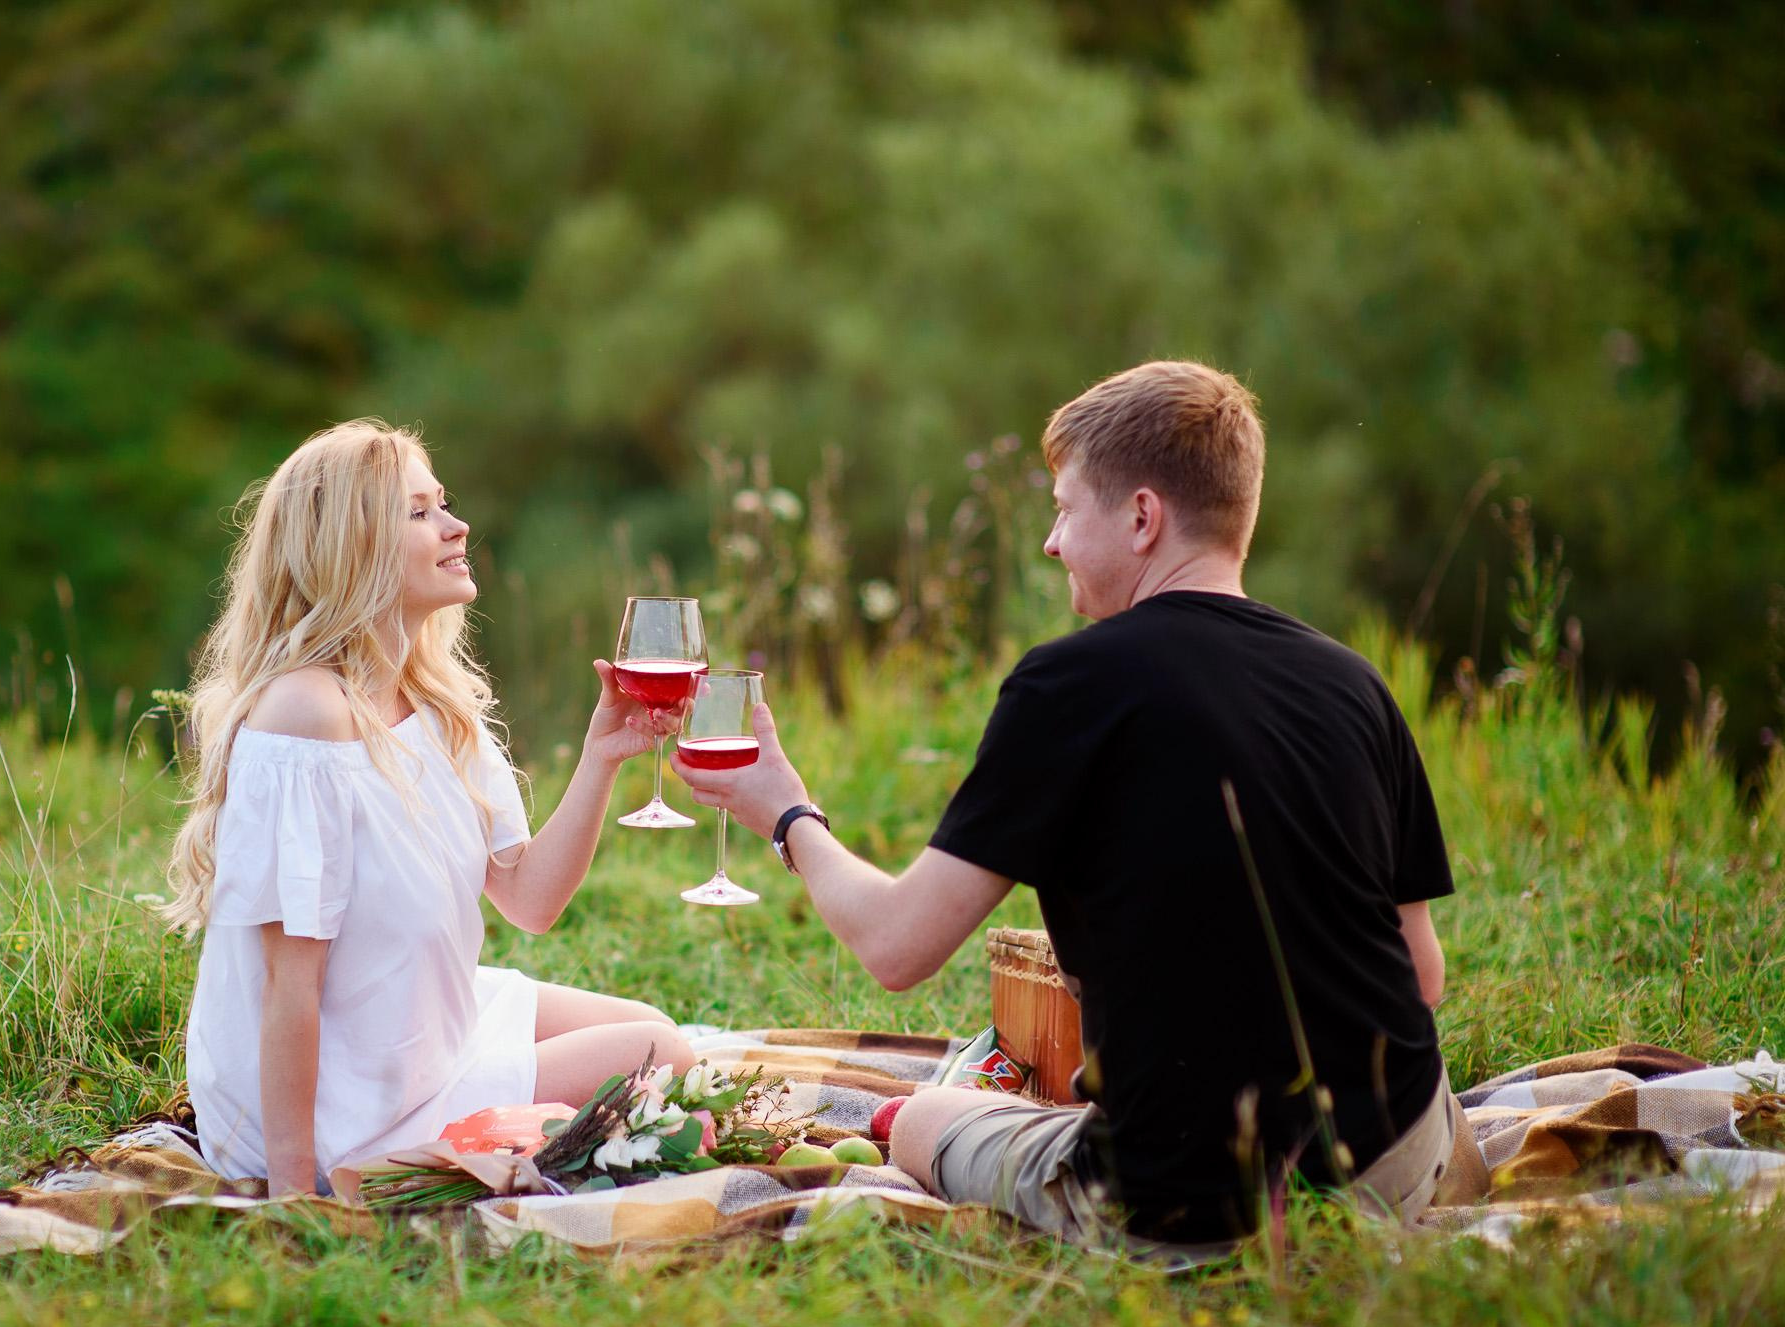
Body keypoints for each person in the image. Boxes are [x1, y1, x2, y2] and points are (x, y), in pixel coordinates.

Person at [673, 361, 1479, 1262]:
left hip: (1183, 1199)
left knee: (922, 1118)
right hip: (1393, 1162)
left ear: (1142, 517)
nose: (1051, 543)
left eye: (1064, 510)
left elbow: (898, 947)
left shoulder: (1071, 683)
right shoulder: (1356, 685)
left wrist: (788, 814)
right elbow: (1421, 979)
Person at [160, 419, 693, 1197]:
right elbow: (289, 983)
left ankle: (501, 1124)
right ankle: (441, 1146)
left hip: (418, 1027)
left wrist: (601, 754)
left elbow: (532, 900)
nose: (456, 525)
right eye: (420, 513)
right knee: (659, 1054)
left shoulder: (433, 700)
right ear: (353, 547)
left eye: (443, 503)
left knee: (658, 1035)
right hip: (348, 1098)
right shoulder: (306, 714)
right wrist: (292, 1189)